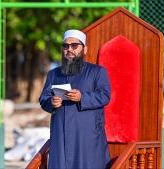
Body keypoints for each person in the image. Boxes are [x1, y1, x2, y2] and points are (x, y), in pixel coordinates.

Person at [39, 29, 111, 169]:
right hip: (61, 134)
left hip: (86, 134)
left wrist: (81, 97)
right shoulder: (54, 74)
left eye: (74, 45)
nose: (69, 49)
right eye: (66, 46)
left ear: (84, 49)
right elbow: (44, 98)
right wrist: (52, 102)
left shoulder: (97, 71)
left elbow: (105, 95)